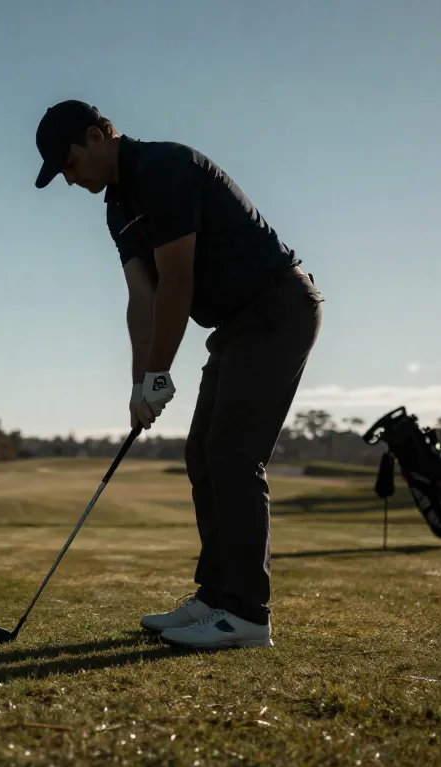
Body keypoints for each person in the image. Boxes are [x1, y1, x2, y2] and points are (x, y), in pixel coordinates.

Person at [33, 100, 323, 651]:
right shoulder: (118, 206)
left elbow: (177, 282)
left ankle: (247, 614)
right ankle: (216, 598)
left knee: (233, 455)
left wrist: (159, 374)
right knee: (202, 455)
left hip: (277, 308)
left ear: (95, 137)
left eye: (68, 164)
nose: (70, 179)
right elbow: (141, 297)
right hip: (237, 324)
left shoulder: (163, 168)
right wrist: (140, 385)